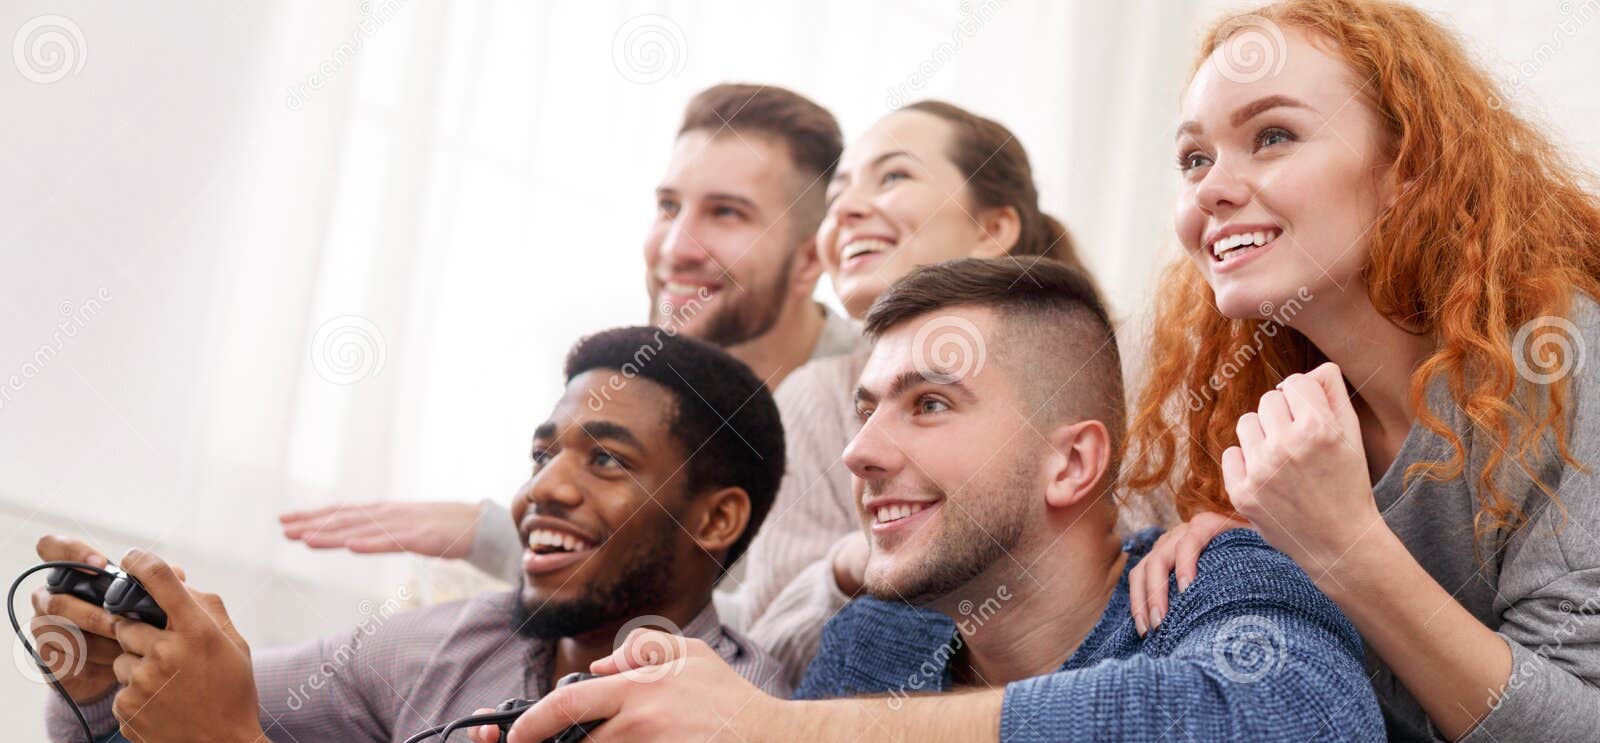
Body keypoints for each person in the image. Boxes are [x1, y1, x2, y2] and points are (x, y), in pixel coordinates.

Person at [363, 257, 1387, 743]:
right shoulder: (878, 640)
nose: (859, 452)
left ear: (1070, 460)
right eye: (865, 409)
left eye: (928, 404)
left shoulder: (1211, 584)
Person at [1, 328, 787, 743]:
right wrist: (103, 671)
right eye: (542, 455)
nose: (543, 488)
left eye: (606, 459)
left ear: (715, 519)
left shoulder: (738, 720)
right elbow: (101, 740)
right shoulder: (448, 641)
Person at [281, 98, 1099, 684]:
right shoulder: (662, 387)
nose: (677, 245)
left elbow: (741, 640)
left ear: (806, 257)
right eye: (668, 206)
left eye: (727, 214)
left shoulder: (1034, 367)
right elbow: (751, 635)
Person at [1118, 0, 1600, 743]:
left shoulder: (1560, 358)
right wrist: (1266, 577)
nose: (1215, 187)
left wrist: (1342, 547)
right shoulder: (1250, 411)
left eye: (1274, 135)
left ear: (1406, 172)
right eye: (1195, 158)